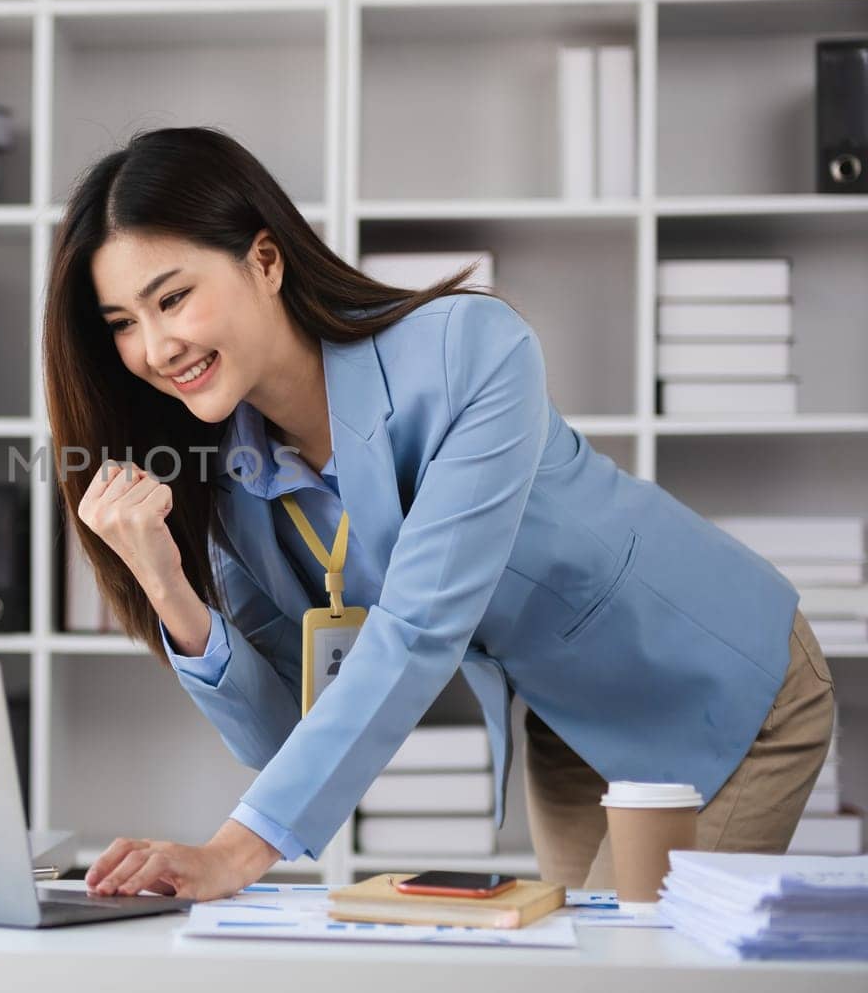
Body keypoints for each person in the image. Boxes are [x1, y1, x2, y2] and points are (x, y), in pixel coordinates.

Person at [41, 127, 836, 902]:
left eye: (172, 298)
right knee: (568, 970)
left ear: (266, 259)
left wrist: (232, 852)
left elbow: (419, 627)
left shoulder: (472, 351)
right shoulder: (235, 479)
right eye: (122, 325)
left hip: (715, 674)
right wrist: (168, 586)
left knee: (633, 968)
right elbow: (282, 735)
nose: (156, 347)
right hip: (569, 724)